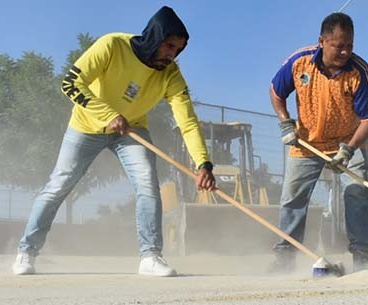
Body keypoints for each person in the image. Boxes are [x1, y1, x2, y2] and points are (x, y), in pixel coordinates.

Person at [12, 6, 216, 276]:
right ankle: (26, 252)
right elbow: (71, 83)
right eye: (168, 46)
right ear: (154, 37)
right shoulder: (112, 45)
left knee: (148, 184)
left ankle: (150, 257)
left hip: (131, 129)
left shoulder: (171, 74)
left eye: (177, 49)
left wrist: (203, 163)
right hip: (86, 125)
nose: (172, 55)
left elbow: (187, 121)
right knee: (59, 184)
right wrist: (108, 114)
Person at [269, 12, 368, 273]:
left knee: (357, 193)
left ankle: (363, 258)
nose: (345, 52)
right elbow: (276, 92)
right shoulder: (300, 62)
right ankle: (285, 257)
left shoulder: (360, 72)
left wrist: (349, 149)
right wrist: (285, 121)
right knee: (292, 198)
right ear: (322, 41)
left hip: (348, 142)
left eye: (350, 46)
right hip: (307, 141)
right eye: (339, 46)